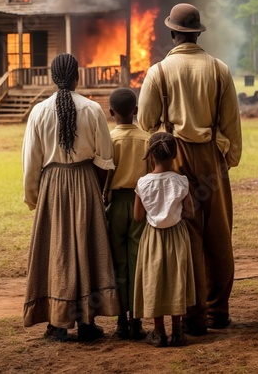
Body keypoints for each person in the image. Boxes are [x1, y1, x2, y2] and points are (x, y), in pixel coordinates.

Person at [137, 3, 242, 336]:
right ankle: (218, 312)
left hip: (175, 158)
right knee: (219, 235)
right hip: (212, 156)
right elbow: (231, 125)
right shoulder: (219, 70)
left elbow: (145, 121)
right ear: (197, 33)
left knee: (187, 238)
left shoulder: (159, 72)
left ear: (172, 34)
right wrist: (227, 159)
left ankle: (194, 317)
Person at [22, 53, 120, 342]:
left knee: (57, 252)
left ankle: (57, 323)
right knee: (89, 248)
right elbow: (106, 158)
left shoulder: (39, 112)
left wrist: (34, 199)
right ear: (78, 76)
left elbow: (31, 163)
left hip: (52, 186)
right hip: (85, 182)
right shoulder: (92, 109)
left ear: (53, 78)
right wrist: (101, 192)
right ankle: (87, 322)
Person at [133, 132, 195, 347]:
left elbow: (138, 217)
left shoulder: (142, 183)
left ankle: (159, 333)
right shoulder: (181, 181)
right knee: (176, 278)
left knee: (155, 280)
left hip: (153, 238)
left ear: (151, 156)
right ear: (175, 155)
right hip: (177, 235)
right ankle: (177, 331)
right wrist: (175, 212)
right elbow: (190, 212)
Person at [104, 88, 150, 340]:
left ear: (111, 113)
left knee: (118, 261)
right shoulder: (147, 139)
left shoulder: (108, 140)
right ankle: (137, 320)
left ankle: (121, 318)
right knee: (138, 260)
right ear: (136, 111)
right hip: (140, 204)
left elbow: (105, 175)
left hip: (116, 203)